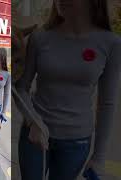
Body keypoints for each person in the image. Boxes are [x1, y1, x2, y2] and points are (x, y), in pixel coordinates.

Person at [16, 0, 121, 179]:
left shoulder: (111, 43)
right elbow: (21, 88)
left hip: (77, 142)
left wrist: (99, 158)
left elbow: (107, 103)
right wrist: (33, 121)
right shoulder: (40, 38)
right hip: (33, 136)